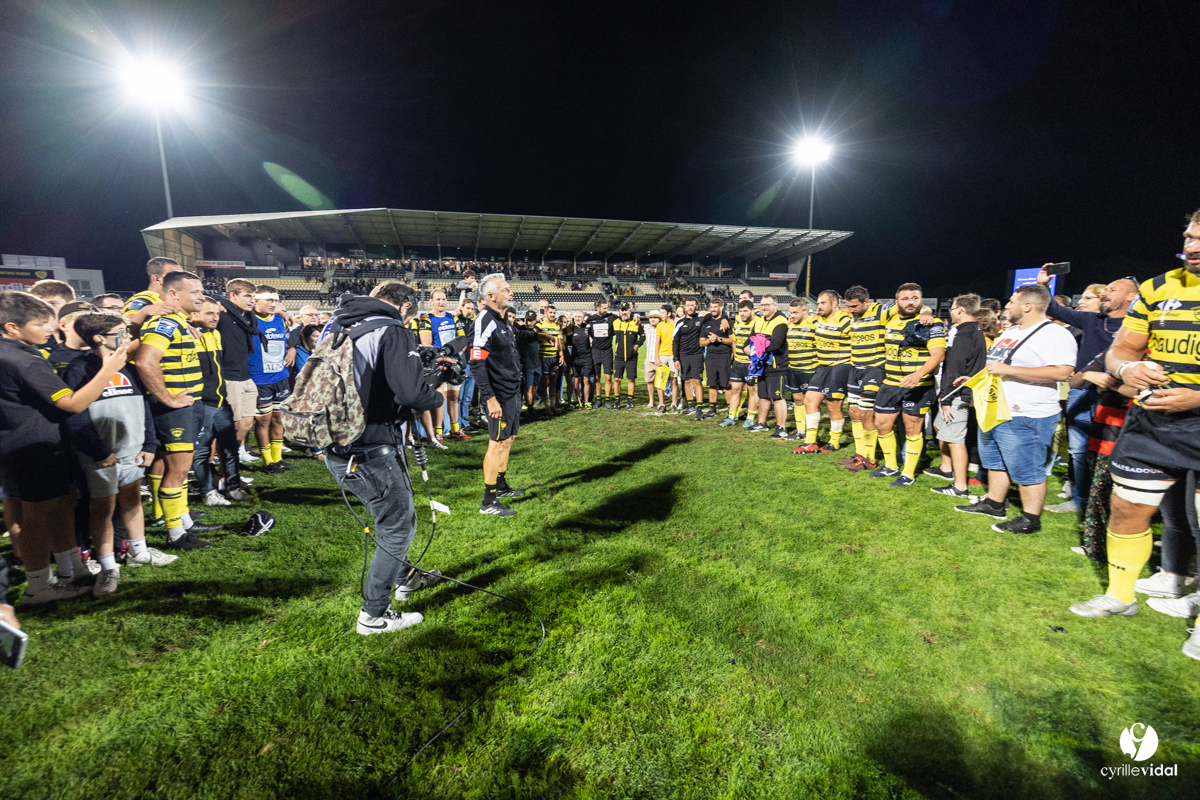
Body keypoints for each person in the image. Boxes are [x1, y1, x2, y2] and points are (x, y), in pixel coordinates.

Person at [1069, 211, 1200, 648]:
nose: (1193, 246)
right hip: (1151, 422)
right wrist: (1128, 366)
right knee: (1127, 508)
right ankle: (1119, 595)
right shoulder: (1159, 287)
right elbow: (1122, 347)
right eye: (1189, 236)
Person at [323, 281, 444, 635]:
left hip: (338, 444)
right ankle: (374, 615)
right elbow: (410, 393)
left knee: (390, 518)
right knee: (397, 526)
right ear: (404, 306)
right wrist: (435, 392)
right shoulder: (391, 328)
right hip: (371, 448)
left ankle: (406, 578)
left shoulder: (339, 323)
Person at [0, 291, 129, 604]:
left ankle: (72, 569)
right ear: (12, 327)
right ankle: (39, 585)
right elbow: (72, 403)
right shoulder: (22, 360)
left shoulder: (16, 352)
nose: (49, 328)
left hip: (33, 442)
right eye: (39, 323)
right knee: (36, 516)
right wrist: (108, 369)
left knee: (61, 505)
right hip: (33, 447)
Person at [64, 312, 172, 594]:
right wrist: (98, 451)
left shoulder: (129, 367)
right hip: (102, 454)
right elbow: (75, 417)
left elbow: (143, 406)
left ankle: (139, 551)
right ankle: (108, 566)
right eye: (121, 333)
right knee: (102, 508)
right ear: (99, 338)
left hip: (133, 449)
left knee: (133, 500)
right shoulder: (79, 369)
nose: (128, 338)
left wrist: (150, 444)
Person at [954, 284, 1076, 532]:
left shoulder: (1055, 334)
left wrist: (1010, 371)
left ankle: (1031, 519)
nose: (1007, 305)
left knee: (1026, 467)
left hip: (1027, 413)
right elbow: (997, 367)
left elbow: (1063, 371)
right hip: (996, 408)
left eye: (1011, 301)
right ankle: (994, 503)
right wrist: (975, 380)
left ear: (1027, 306)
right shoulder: (1014, 332)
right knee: (995, 461)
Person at [1036, 266, 1138, 514]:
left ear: (1131, 297)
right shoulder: (1091, 320)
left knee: (1116, 452)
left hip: (1119, 394)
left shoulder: (1138, 328)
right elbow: (1053, 309)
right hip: (1081, 390)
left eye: (1112, 290)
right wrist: (1043, 284)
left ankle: (1115, 506)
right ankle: (1080, 500)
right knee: (1079, 449)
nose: (1106, 293)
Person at [135, 271, 221, 549]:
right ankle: (176, 535)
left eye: (201, 291)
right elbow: (146, 362)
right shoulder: (164, 323)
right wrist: (168, 400)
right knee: (178, 471)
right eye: (194, 292)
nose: (201, 296)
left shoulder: (178, 322)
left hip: (188, 404)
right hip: (176, 409)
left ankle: (183, 522)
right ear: (173, 294)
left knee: (178, 470)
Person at [870, 284, 946, 486]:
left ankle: (908, 474)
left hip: (918, 385)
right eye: (905, 298)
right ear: (896, 302)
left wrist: (919, 374)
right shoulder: (890, 317)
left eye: (915, 298)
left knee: (913, 429)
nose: (910, 302)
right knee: (882, 425)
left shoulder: (932, 324)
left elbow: (938, 355)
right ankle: (890, 466)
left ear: (921, 301)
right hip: (890, 383)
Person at [469, 274, 527, 517]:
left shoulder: (503, 320)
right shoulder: (485, 320)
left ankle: (501, 486)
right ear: (490, 296)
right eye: (505, 290)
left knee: (509, 438)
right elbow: (476, 361)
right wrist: (490, 397)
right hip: (499, 395)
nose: (510, 293)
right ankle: (488, 501)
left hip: (512, 390)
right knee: (496, 443)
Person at [189, 297, 249, 506]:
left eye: (217, 313)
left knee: (229, 446)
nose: (215, 318)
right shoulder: (186, 336)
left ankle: (232, 487)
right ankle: (207, 492)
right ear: (194, 314)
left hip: (221, 401)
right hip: (202, 403)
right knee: (202, 450)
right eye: (209, 313)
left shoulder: (214, 334)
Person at [927, 294, 987, 498]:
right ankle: (946, 468)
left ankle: (960, 486)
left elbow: (954, 369)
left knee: (955, 439)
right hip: (959, 392)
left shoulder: (963, 334)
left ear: (960, 310)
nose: (951, 311)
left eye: (952, 308)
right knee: (939, 426)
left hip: (958, 394)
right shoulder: (970, 330)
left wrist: (946, 399)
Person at [215, 279, 265, 466]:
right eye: (247, 296)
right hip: (229, 376)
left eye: (253, 296)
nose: (252, 300)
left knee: (245, 424)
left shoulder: (247, 318)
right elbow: (202, 308)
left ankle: (230, 462)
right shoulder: (222, 313)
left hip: (245, 376)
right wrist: (215, 301)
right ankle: (221, 466)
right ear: (232, 296)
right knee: (230, 426)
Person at [795, 290, 852, 451]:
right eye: (818, 303)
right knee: (810, 400)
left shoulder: (845, 319)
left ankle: (834, 441)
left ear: (834, 304)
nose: (819, 306)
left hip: (840, 366)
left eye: (823, 303)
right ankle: (810, 441)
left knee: (833, 405)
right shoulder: (818, 319)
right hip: (823, 367)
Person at [840, 285, 889, 469]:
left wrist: (926, 314)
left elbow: (905, 308)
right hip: (855, 369)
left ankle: (870, 458)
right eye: (849, 306)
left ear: (866, 302)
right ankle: (859, 454)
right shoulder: (854, 315)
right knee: (853, 412)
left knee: (866, 413)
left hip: (874, 369)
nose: (850, 310)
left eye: (854, 307)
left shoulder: (880, 311)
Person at [247, 286, 292, 473]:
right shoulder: (248, 320)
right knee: (263, 421)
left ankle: (278, 458)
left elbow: (287, 340)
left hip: (281, 377)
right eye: (269, 300)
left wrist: (292, 348)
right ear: (256, 301)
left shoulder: (280, 320)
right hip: (260, 379)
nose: (273, 304)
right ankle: (268, 461)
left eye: (275, 300)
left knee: (279, 419)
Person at [418, 288, 470, 441]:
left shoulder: (452, 318)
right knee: (441, 398)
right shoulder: (426, 319)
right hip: (438, 364)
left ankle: (455, 430)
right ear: (431, 301)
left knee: (454, 397)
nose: (441, 302)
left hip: (454, 362)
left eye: (443, 299)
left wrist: (455, 356)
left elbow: (462, 340)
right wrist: (441, 358)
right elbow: (426, 344)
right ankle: (439, 432)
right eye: (438, 299)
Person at [748, 295, 789, 437]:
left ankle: (781, 428)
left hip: (777, 365)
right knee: (763, 395)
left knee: (777, 397)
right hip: (761, 366)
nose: (764, 307)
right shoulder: (758, 321)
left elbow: (775, 344)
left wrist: (756, 350)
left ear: (775, 305)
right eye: (762, 304)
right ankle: (761, 423)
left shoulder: (781, 321)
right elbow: (749, 341)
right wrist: (750, 350)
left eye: (767, 304)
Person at [721, 300, 762, 427]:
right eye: (740, 311)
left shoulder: (758, 323)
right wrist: (735, 357)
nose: (742, 314)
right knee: (735, 390)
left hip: (751, 364)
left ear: (752, 310)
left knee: (752, 391)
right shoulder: (737, 322)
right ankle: (732, 416)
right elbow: (734, 341)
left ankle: (750, 417)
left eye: (745, 311)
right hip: (738, 362)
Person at [122, 257, 183, 329]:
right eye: (174, 276)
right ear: (156, 279)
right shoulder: (143, 298)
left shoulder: (169, 299)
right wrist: (145, 311)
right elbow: (125, 325)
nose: (181, 280)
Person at [698, 299, 732, 420]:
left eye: (715, 307)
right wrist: (709, 341)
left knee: (726, 384)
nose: (713, 309)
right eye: (711, 307)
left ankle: (730, 410)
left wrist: (719, 339)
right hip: (711, 356)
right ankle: (712, 409)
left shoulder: (727, 322)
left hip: (724, 356)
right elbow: (701, 342)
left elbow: (732, 340)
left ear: (721, 308)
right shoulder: (706, 322)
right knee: (712, 384)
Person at [672, 298, 704, 417]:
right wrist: (676, 358)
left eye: (692, 305)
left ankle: (699, 407)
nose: (690, 307)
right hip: (683, 355)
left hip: (697, 354)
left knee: (697, 380)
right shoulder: (679, 322)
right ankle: (690, 405)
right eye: (688, 305)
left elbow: (716, 315)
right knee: (686, 380)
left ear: (696, 307)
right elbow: (675, 341)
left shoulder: (701, 319)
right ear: (685, 307)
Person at [611, 302, 644, 410]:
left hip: (631, 357)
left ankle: (630, 400)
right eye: (622, 310)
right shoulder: (615, 322)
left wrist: (637, 344)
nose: (624, 312)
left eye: (626, 310)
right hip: (619, 356)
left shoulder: (636, 323)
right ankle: (617, 401)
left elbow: (643, 336)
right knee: (617, 379)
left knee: (631, 379)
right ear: (619, 311)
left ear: (630, 311)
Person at [586, 299, 617, 408]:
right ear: (597, 308)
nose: (606, 310)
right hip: (595, 351)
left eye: (607, 308)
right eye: (604, 308)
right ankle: (598, 399)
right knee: (597, 377)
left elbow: (623, 320)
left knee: (608, 378)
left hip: (607, 351)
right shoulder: (590, 319)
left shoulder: (612, 317)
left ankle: (607, 400)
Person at [536, 306, 564, 413]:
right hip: (544, 357)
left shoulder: (556, 327)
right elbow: (535, 337)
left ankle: (552, 405)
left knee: (553, 382)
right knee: (545, 382)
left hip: (554, 358)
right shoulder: (539, 326)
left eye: (554, 313)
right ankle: (546, 406)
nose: (552, 315)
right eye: (550, 312)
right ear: (546, 313)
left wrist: (561, 355)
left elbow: (559, 342)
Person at [567, 311, 594, 408]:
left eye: (579, 317)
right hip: (575, 359)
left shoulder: (588, 327)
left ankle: (586, 401)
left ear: (583, 318)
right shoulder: (570, 329)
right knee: (576, 381)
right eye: (576, 317)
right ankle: (579, 402)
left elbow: (595, 337)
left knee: (586, 380)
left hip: (587, 358)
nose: (577, 318)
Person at [653, 305, 676, 413]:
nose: (660, 315)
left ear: (669, 313)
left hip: (673, 356)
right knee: (660, 381)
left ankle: (674, 404)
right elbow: (657, 342)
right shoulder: (660, 326)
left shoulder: (675, 324)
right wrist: (656, 357)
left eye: (662, 313)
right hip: (662, 356)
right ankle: (661, 404)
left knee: (674, 381)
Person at [642, 309, 663, 408]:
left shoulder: (663, 328)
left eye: (655, 317)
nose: (652, 320)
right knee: (649, 381)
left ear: (659, 319)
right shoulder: (646, 328)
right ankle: (651, 400)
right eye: (651, 318)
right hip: (649, 359)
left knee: (660, 383)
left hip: (660, 359)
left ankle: (661, 401)